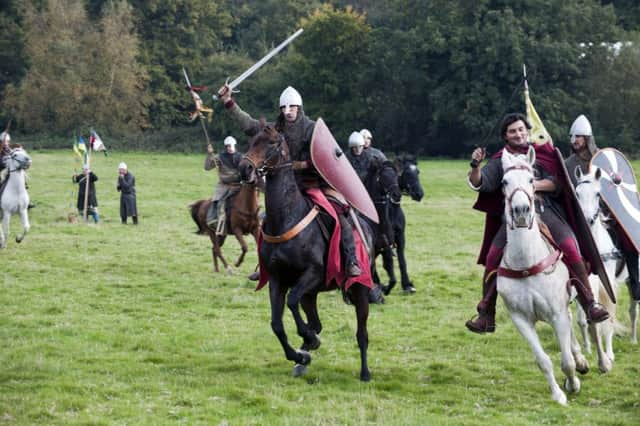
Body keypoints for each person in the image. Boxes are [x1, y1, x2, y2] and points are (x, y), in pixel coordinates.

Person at [465, 112, 609, 334]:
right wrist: (475, 165)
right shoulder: (500, 159)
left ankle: (589, 303)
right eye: (512, 131)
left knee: (571, 247)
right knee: (493, 256)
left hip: (546, 211)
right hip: (513, 218)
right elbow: (481, 183)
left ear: (527, 131)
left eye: (521, 129)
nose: (518, 134)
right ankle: (486, 313)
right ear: (505, 135)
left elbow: (558, 183)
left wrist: (532, 186)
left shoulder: (544, 152)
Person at [218, 84, 362, 276]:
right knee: (267, 223)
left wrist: (299, 165)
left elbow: (325, 156)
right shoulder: (275, 129)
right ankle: (265, 264)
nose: (287, 111)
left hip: (311, 184)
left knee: (338, 216)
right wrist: (229, 102)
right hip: (284, 188)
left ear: (299, 108)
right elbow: (250, 125)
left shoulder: (311, 129)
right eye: (284, 108)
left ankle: (350, 260)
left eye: (291, 107)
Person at [565, 114, 640, 303]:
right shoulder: (568, 164)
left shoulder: (602, 159)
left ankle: (635, 281)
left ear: (588, 138)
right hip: (579, 215)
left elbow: (617, 188)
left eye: (579, 136)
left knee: (629, 239)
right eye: (572, 137)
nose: (575, 141)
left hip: (606, 213)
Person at [204, 135, 243, 234]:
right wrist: (209, 154)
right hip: (224, 185)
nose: (230, 148)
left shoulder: (241, 157)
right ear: (225, 147)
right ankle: (213, 220)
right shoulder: (219, 157)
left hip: (239, 185)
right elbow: (207, 167)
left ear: (235, 145)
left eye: (232, 146)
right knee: (217, 201)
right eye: (228, 146)